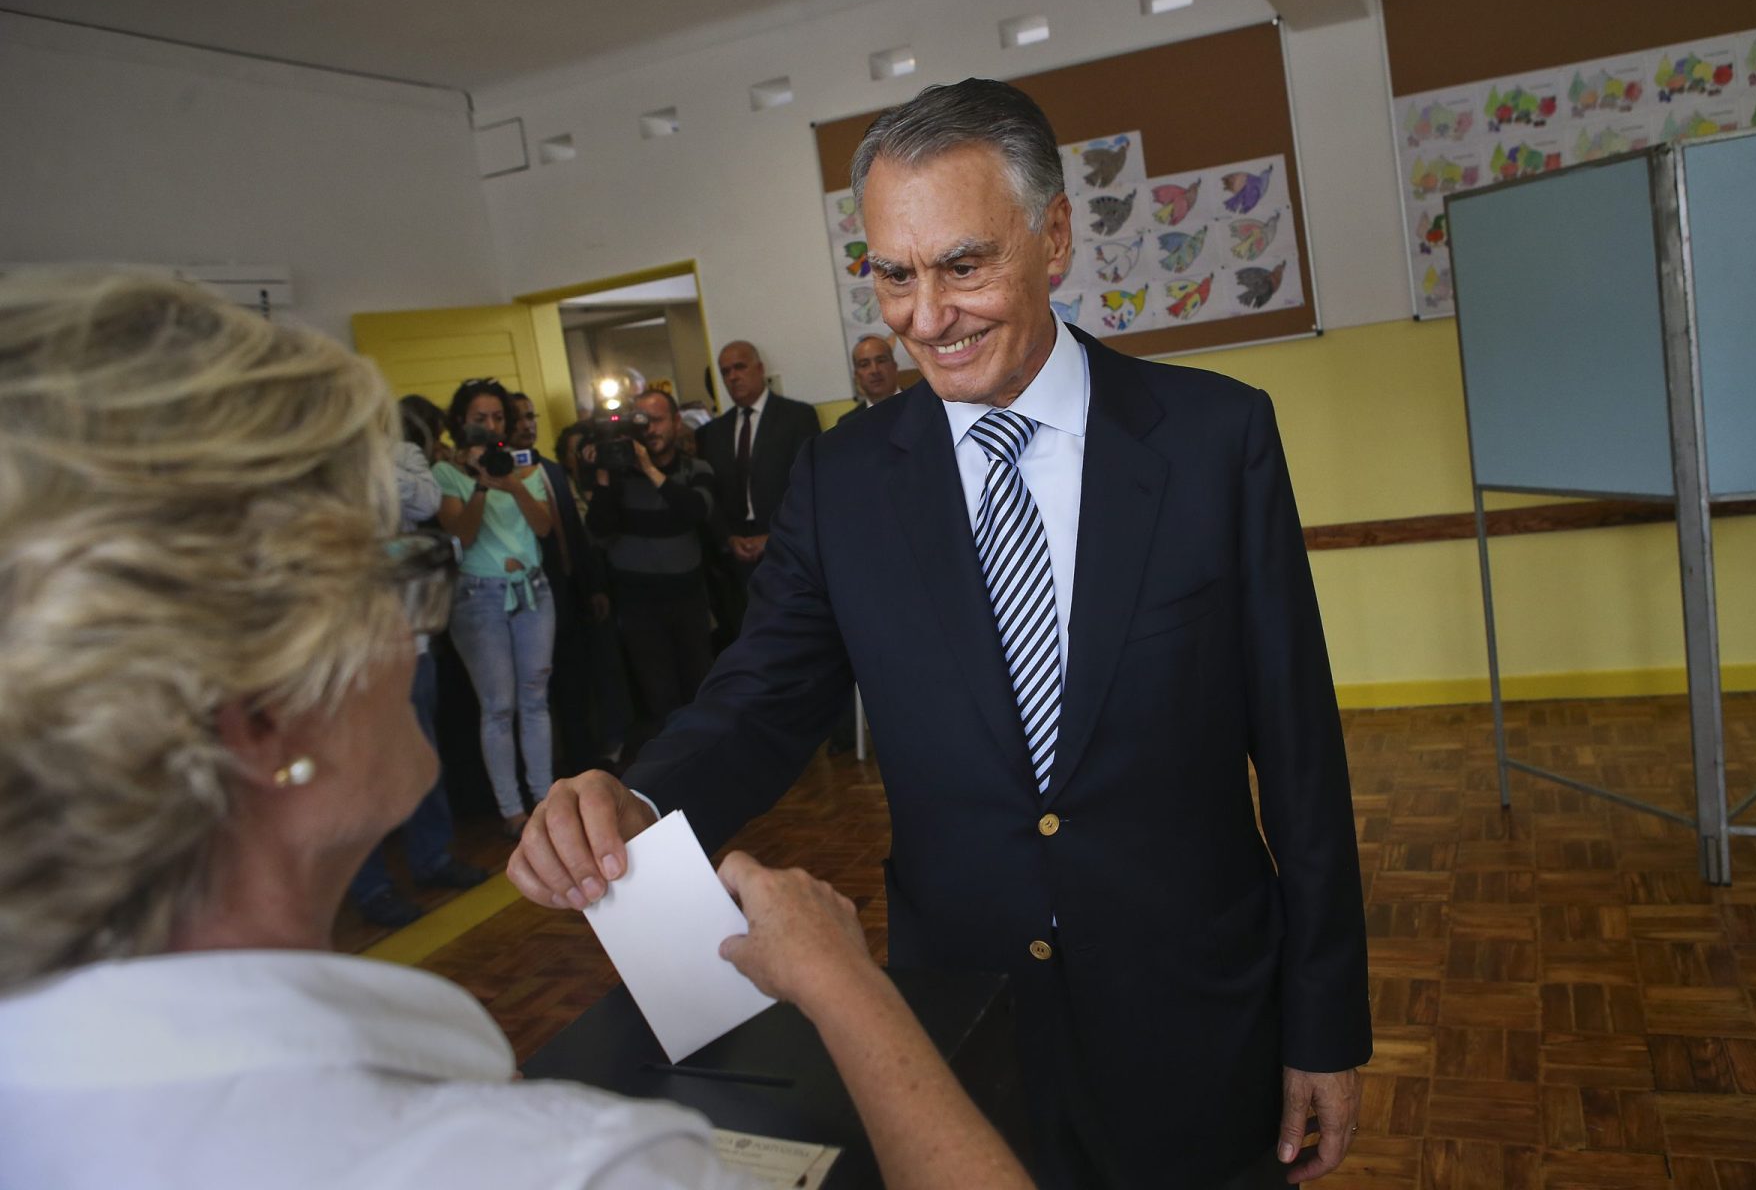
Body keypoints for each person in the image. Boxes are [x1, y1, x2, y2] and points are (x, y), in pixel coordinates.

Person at [510, 79, 1371, 1189]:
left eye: (963, 265)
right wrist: (637, 796)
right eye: (893, 274)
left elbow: (1301, 752)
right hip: (961, 1024)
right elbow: (762, 697)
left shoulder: (1216, 439)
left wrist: (1327, 1019)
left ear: (1053, 236)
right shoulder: (847, 478)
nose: (925, 316)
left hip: (1196, 1016)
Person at [0, 270, 1033, 1190]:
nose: (421, 618)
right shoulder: (566, 1164)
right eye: (389, 573)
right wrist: (850, 990)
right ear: (260, 716)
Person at [348, 396, 488, 928]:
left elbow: (427, 501)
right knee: (361, 769)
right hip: (354, 643)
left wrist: (373, 461)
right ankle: (371, 886)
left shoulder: (402, 454)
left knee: (423, 754)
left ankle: (433, 857)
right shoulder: (321, 466)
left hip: (411, 637)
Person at [437, 379, 559, 835]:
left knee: (535, 700)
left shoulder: (523, 468)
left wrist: (511, 483)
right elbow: (461, 536)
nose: (490, 427)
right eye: (480, 419)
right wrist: (481, 487)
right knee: (498, 706)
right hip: (478, 597)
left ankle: (547, 801)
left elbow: (544, 529)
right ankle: (512, 811)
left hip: (533, 591)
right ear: (461, 424)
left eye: (498, 418)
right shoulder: (446, 474)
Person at [584, 390, 720, 753]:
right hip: (638, 604)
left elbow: (694, 511)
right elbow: (598, 528)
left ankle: (710, 760)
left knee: (700, 687)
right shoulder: (617, 476)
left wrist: (648, 468)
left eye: (658, 420)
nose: (651, 430)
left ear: (677, 423)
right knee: (658, 696)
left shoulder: (697, 469)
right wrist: (604, 478)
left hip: (688, 598)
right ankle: (674, 770)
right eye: (642, 422)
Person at [513, 392, 614, 775]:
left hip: (568, 593)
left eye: (530, 416)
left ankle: (585, 763)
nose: (528, 424)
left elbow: (572, 533)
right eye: (519, 418)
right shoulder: (499, 481)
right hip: (528, 596)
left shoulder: (552, 470)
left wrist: (592, 587)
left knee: (576, 684)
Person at [695, 341, 821, 644]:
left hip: (787, 547)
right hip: (736, 558)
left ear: (759, 369)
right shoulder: (712, 433)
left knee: (799, 637)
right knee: (751, 641)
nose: (733, 377)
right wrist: (728, 537)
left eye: (740, 367)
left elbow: (807, 486)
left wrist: (774, 537)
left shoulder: (797, 416)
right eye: (726, 372)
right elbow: (711, 496)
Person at [838, 334, 903, 423]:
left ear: (894, 367)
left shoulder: (922, 405)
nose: (874, 370)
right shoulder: (847, 424)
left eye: (881, 361)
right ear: (857, 376)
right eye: (864, 364)